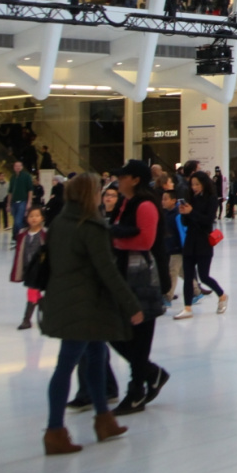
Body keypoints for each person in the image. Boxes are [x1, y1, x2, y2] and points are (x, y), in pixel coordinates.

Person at [39, 172, 144, 456]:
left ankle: (103, 418)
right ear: (90, 195)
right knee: (67, 364)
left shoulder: (60, 222)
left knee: (97, 356)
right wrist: (131, 304)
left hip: (65, 301)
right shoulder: (91, 227)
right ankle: (54, 430)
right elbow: (107, 271)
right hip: (84, 306)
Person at [108, 161, 169, 415]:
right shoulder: (125, 203)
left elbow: (145, 240)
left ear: (134, 180)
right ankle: (151, 374)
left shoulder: (145, 204)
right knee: (116, 330)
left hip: (142, 275)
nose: (118, 181)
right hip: (124, 272)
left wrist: (114, 235)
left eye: (122, 177)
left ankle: (136, 390)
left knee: (139, 333)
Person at [174, 171, 227, 318]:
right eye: (192, 184)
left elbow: (207, 221)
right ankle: (187, 307)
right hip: (190, 242)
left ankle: (222, 295)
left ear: (204, 183)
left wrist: (191, 213)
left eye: (197, 184)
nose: (194, 187)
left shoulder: (211, 199)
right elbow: (186, 222)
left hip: (204, 242)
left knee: (204, 276)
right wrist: (184, 213)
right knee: (189, 276)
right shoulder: (191, 198)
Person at [11, 205, 48, 329]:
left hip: (40, 269)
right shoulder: (23, 234)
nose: (34, 218)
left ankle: (26, 320)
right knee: (34, 291)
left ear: (42, 218)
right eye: (31, 216)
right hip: (28, 268)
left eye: (37, 216)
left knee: (31, 291)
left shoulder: (46, 234)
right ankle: (41, 302)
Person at [9, 159, 36, 233]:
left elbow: (30, 190)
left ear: (22, 167)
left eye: (19, 166)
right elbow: (10, 192)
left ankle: (23, 235)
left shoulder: (26, 176)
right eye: (16, 166)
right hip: (14, 202)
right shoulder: (13, 177)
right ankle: (15, 237)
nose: (17, 167)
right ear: (14, 167)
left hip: (22, 202)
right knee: (15, 222)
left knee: (18, 221)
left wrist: (29, 202)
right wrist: (8, 204)